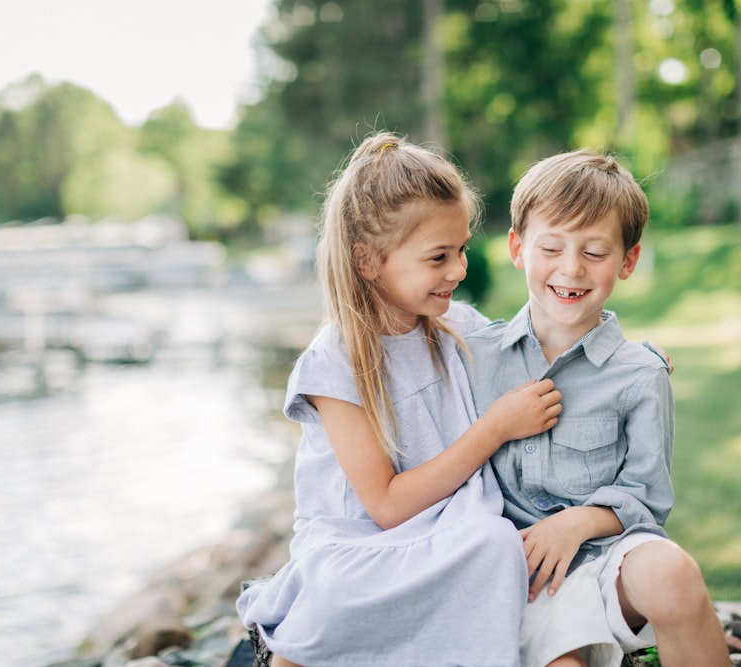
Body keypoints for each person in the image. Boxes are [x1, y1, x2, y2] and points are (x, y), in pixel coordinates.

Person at [236, 132, 563, 667]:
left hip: (449, 527)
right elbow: (385, 507)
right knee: (338, 593)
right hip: (361, 543)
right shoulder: (334, 363)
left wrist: (630, 362)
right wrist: (496, 429)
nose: (458, 270)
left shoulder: (455, 324)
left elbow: (538, 354)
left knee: (493, 543)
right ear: (368, 261)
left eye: (460, 250)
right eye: (438, 257)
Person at [465, 150, 730, 667]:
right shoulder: (472, 358)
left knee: (672, 573)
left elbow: (647, 498)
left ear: (627, 261)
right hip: (515, 579)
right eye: (552, 247)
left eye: (595, 251)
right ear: (518, 248)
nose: (571, 268)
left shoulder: (641, 374)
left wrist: (580, 522)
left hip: (609, 563)